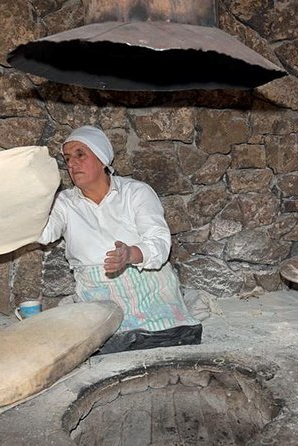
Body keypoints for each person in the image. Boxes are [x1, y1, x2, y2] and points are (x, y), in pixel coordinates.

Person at [38, 125, 202, 352]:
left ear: (102, 159)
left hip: (147, 287)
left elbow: (159, 242)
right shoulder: (64, 203)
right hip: (96, 291)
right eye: (67, 158)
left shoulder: (136, 193)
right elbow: (43, 233)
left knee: (168, 335)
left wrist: (130, 254)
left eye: (80, 154)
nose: (72, 164)